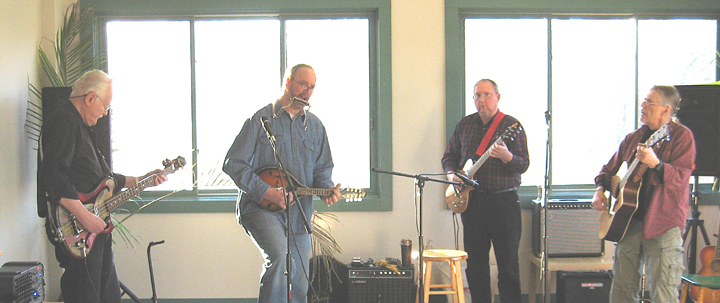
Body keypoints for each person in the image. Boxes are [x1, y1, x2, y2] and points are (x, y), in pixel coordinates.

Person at [37, 69, 168, 303]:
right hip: (77, 227)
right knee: (85, 295)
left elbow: (102, 179)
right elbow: (53, 176)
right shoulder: (64, 121)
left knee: (105, 294)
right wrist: (84, 217)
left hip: (94, 229)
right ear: (89, 98)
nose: (105, 113)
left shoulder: (80, 126)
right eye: (105, 106)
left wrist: (141, 179)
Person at [223, 63, 341, 303]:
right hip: (260, 208)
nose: (307, 92)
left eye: (312, 88)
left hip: (299, 213)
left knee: (298, 277)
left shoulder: (316, 127)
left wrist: (326, 189)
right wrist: (266, 191)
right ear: (288, 83)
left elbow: (321, 170)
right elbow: (233, 163)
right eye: (302, 84)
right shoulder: (261, 119)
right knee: (281, 258)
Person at [592, 85, 695, 303]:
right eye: (644, 101)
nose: (643, 105)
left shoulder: (681, 137)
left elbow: (680, 178)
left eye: (650, 102)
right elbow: (607, 170)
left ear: (666, 110)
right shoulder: (634, 138)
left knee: (664, 291)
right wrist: (600, 190)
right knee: (621, 290)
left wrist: (656, 164)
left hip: (663, 224)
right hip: (628, 222)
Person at [441, 79, 529, 303]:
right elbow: (449, 156)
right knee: (476, 265)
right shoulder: (465, 125)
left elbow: (523, 164)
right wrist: (452, 176)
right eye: (477, 96)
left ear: (497, 97)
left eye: (486, 95)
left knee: (508, 265)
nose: (481, 100)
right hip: (473, 205)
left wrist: (507, 157)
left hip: (504, 203)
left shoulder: (511, 126)